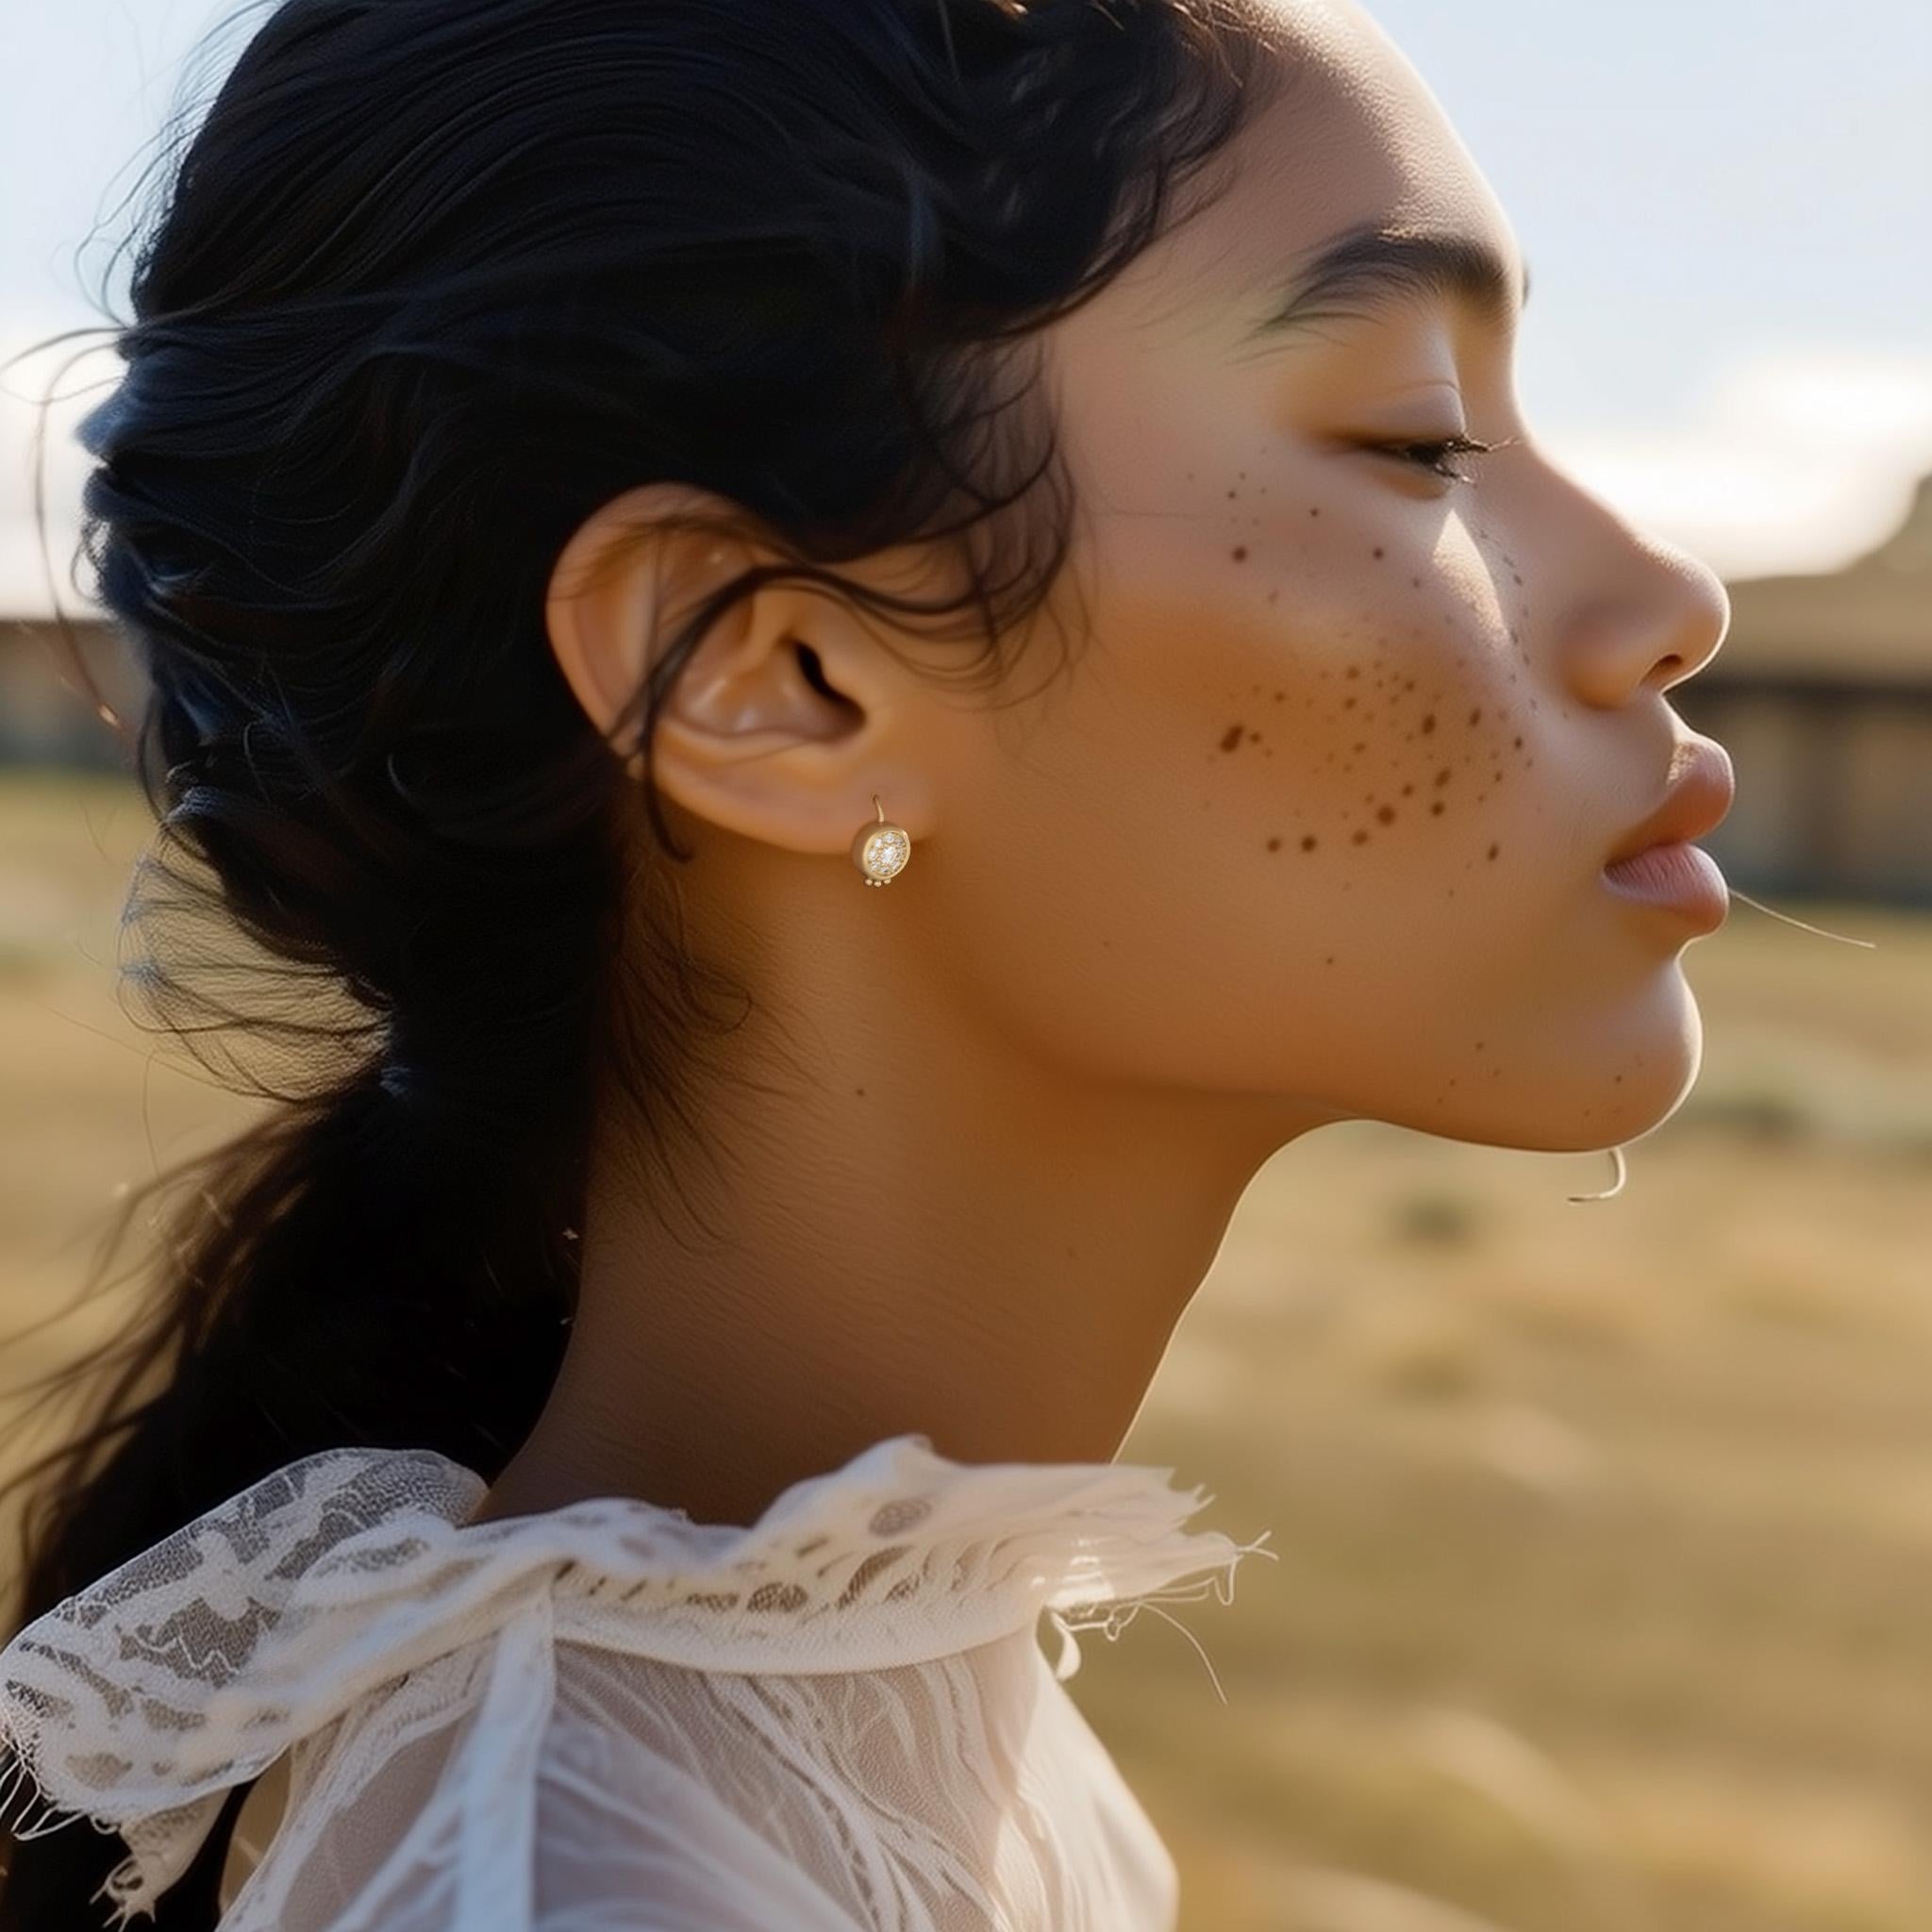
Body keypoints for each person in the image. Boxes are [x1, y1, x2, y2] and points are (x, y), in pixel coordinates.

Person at [0, 0, 1734, 1924]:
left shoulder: (891, 1728)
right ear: (782, 682)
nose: (1673, 599)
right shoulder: (591, 1886)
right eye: (1418, 438)